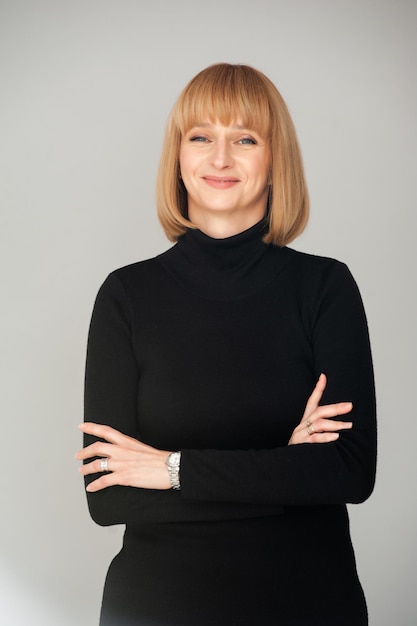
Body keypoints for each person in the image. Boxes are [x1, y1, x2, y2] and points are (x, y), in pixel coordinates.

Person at [76, 63, 376, 625]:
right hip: (156, 608)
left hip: (307, 602)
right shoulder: (126, 295)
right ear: (179, 158)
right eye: (201, 137)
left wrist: (171, 470)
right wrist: (285, 468)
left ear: (273, 160)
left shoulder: (325, 288)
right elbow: (108, 498)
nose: (220, 158)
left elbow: (349, 474)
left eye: (244, 138)